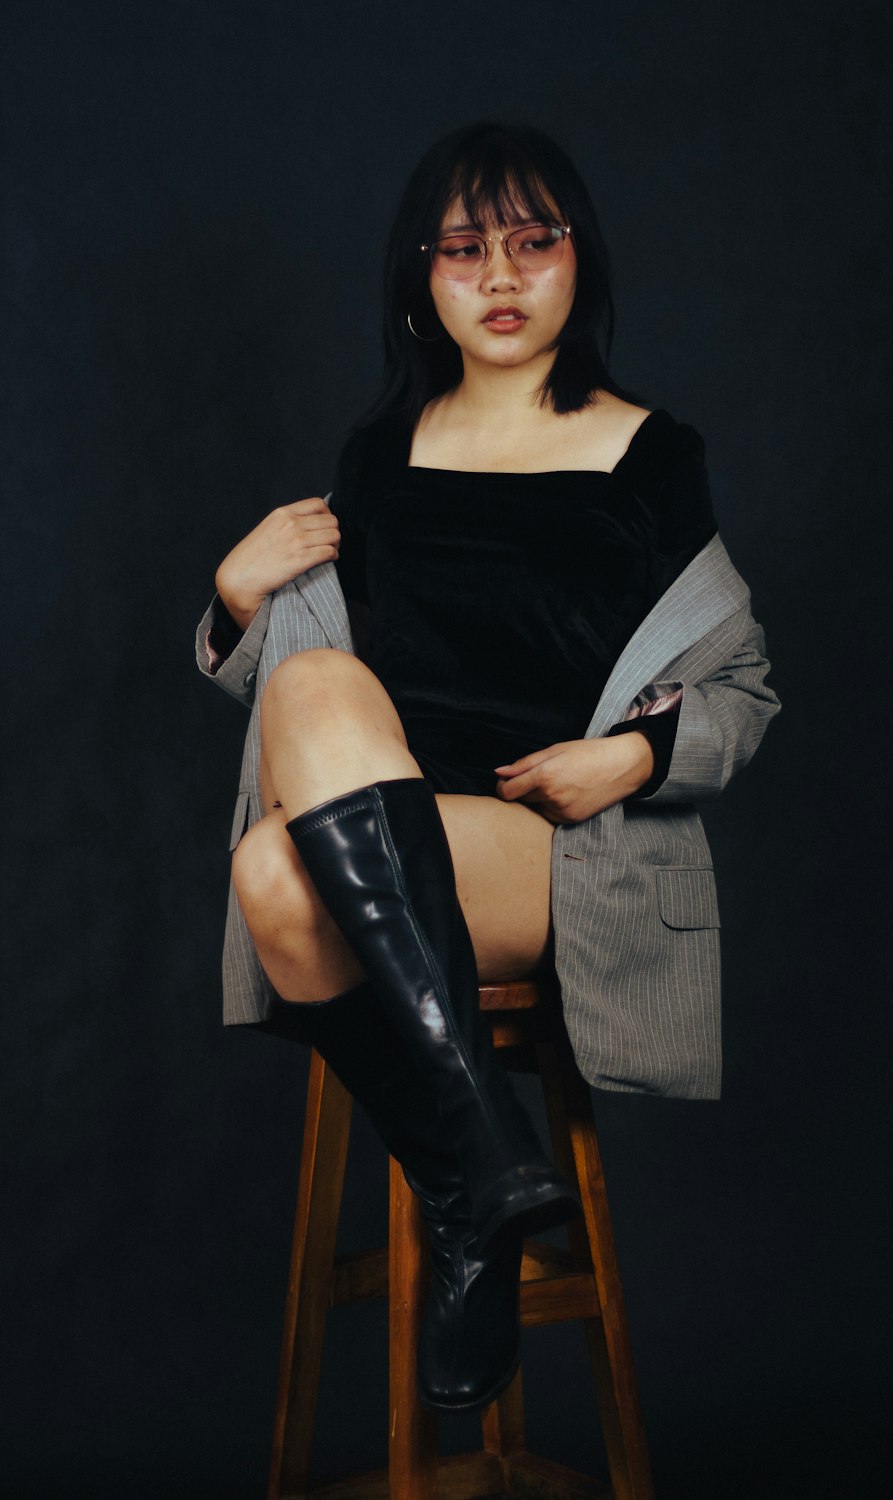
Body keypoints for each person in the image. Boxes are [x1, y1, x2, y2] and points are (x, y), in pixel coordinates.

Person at [196, 122, 780, 1415]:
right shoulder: (378, 462)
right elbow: (308, 688)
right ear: (422, 277)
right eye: (464, 249)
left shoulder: (648, 455)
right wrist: (235, 604)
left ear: (581, 262)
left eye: (533, 241)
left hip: (546, 844)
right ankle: (485, 1171)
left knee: (282, 859)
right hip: (396, 823)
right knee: (276, 846)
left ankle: (473, 1172)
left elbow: (741, 689)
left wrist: (629, 756)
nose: (501, 276)